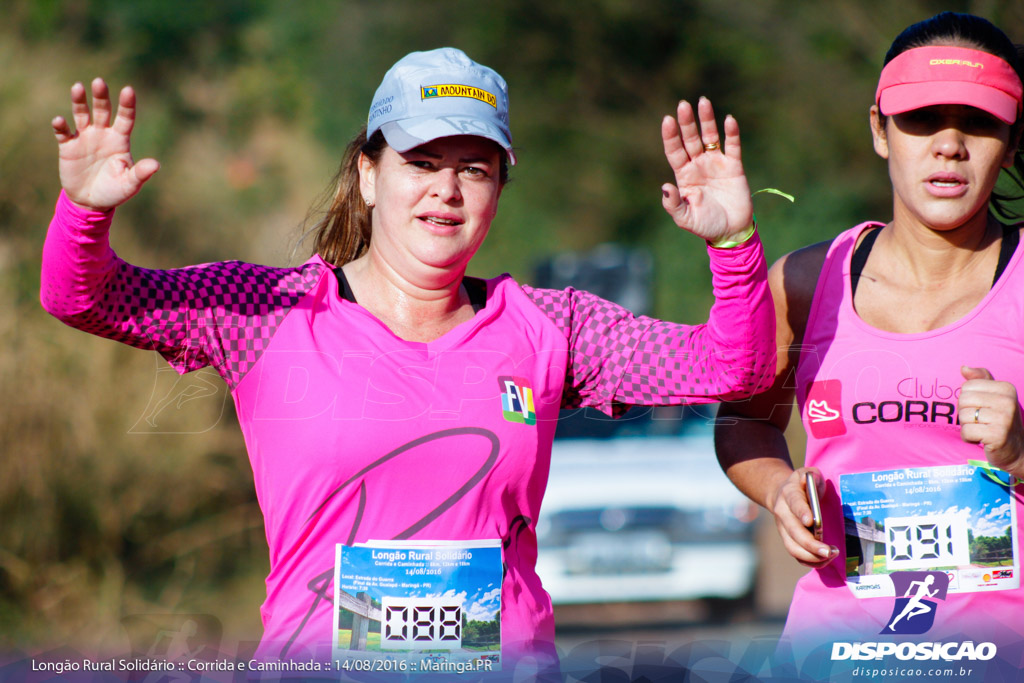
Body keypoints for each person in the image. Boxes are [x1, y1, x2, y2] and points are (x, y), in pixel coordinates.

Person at [41, 47, 774, 672]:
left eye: (475, 169)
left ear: (498, 190)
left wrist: (732, 244)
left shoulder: (550, 328)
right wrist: (86, 213)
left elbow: (731, 367)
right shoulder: (265, 309)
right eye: (421, 162)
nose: (445, 191)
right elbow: (86, 298)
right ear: (368, 172)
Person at [715, 10, 1024, 672]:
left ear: (1013, 139)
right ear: (880, 131)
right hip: (837, 653)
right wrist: (776, 489)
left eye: (978, 122)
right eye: (921, 119)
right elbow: (744, 418)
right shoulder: (805, 280)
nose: (949, 144)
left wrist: (1021, 454)